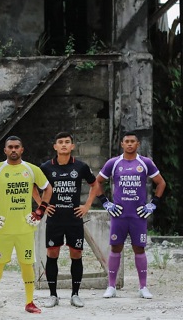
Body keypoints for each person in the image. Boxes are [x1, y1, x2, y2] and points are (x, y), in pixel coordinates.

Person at [0, 136, 53, 315]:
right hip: (3, 229)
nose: (13, 150)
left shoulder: (31, 169)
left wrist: (40, 210)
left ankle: (29, 302)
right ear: (5, 150)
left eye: (17, 147)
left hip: (25, 229)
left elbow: (48, 189)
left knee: (27, 265)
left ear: (22, 149)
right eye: (10, 147)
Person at [96, 131, 166, 299]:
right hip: (119, 214)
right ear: (122, 144)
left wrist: (153, 204)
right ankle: (111, 286)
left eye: (132, 141)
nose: (129, 144)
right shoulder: (114, 163)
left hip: (138, 215)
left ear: (138, 144)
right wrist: (105, 202)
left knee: (139, 248)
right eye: (126, 141)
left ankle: (143, 287)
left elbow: (161, 183)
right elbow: (97, 181)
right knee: (115, 247)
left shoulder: (145, 162)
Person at [38, 132, 100, 308]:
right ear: (55, 147)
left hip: (74, 219)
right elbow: (33, 185)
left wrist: (87, 205)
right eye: (60, 142)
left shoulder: (80, 166)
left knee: (76, 254)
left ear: (72, 146)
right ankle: (53, 295)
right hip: (54, 219)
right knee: (52, 254)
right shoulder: (46, 167)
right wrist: (42, 205)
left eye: (67, 142)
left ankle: (75, 294)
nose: (64, 145)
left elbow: (95, 184)